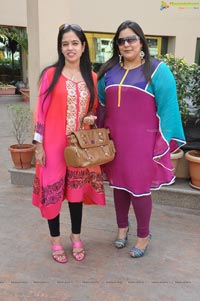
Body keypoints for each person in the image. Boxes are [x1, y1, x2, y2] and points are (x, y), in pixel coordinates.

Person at [97, 20, 186, 258]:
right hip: (115, 141)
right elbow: (102, 106)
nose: (127, 44)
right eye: (122, 40)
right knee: (118, 186)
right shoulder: (108, 71)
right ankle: (122, 228)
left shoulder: (158, 71)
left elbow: (168, 110)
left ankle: (143, 236)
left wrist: (162, 143)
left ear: (141, 41)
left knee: (139, 190)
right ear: (117, 45)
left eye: (132, 39)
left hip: (142, 144)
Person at [32, 23, 105, 263]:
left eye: (74, 43)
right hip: (53, 145)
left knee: (75, 194)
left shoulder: (91, 77)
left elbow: (92, 108)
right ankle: (55, 241)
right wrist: (38, 145)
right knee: (52, 193)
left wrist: (90, 118)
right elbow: (40, 112)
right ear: (60, 48)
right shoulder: (50, 75)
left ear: (83, 47)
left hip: (79, 148)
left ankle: (76, 238)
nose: (70, 48)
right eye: (65, 44)